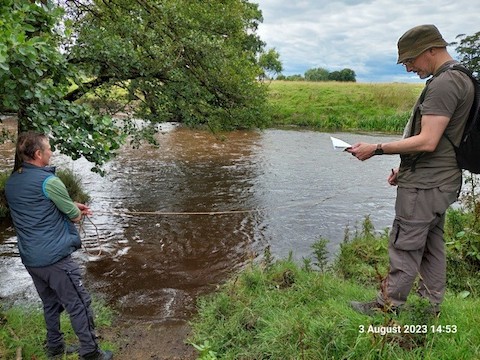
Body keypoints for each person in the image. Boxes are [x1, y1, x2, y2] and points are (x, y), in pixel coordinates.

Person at [347, 24, 475, 316]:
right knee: (432, 245)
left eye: (410, 60)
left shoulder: (445, 83)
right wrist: (404, 171)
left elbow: (428, 141)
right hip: (439, 181)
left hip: (427, 185)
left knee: (404, 244)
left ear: (430, 50)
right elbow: (439, 140)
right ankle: (430, 308)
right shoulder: (460, 77)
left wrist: (375, 148)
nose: (408, 69)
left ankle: (387, 307)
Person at [5, 132, 113, 360]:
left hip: (31, 258)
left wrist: (69, 204)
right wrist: (75, 210)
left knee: (50, 303)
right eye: (48, 149)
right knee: (80, 303)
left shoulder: (13, 180)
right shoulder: (50, 181)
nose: (51, 152)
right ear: (38, 154)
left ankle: (54, 347)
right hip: (54, 259)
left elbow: (37, 206)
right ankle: (91, 352)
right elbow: (74, 217)